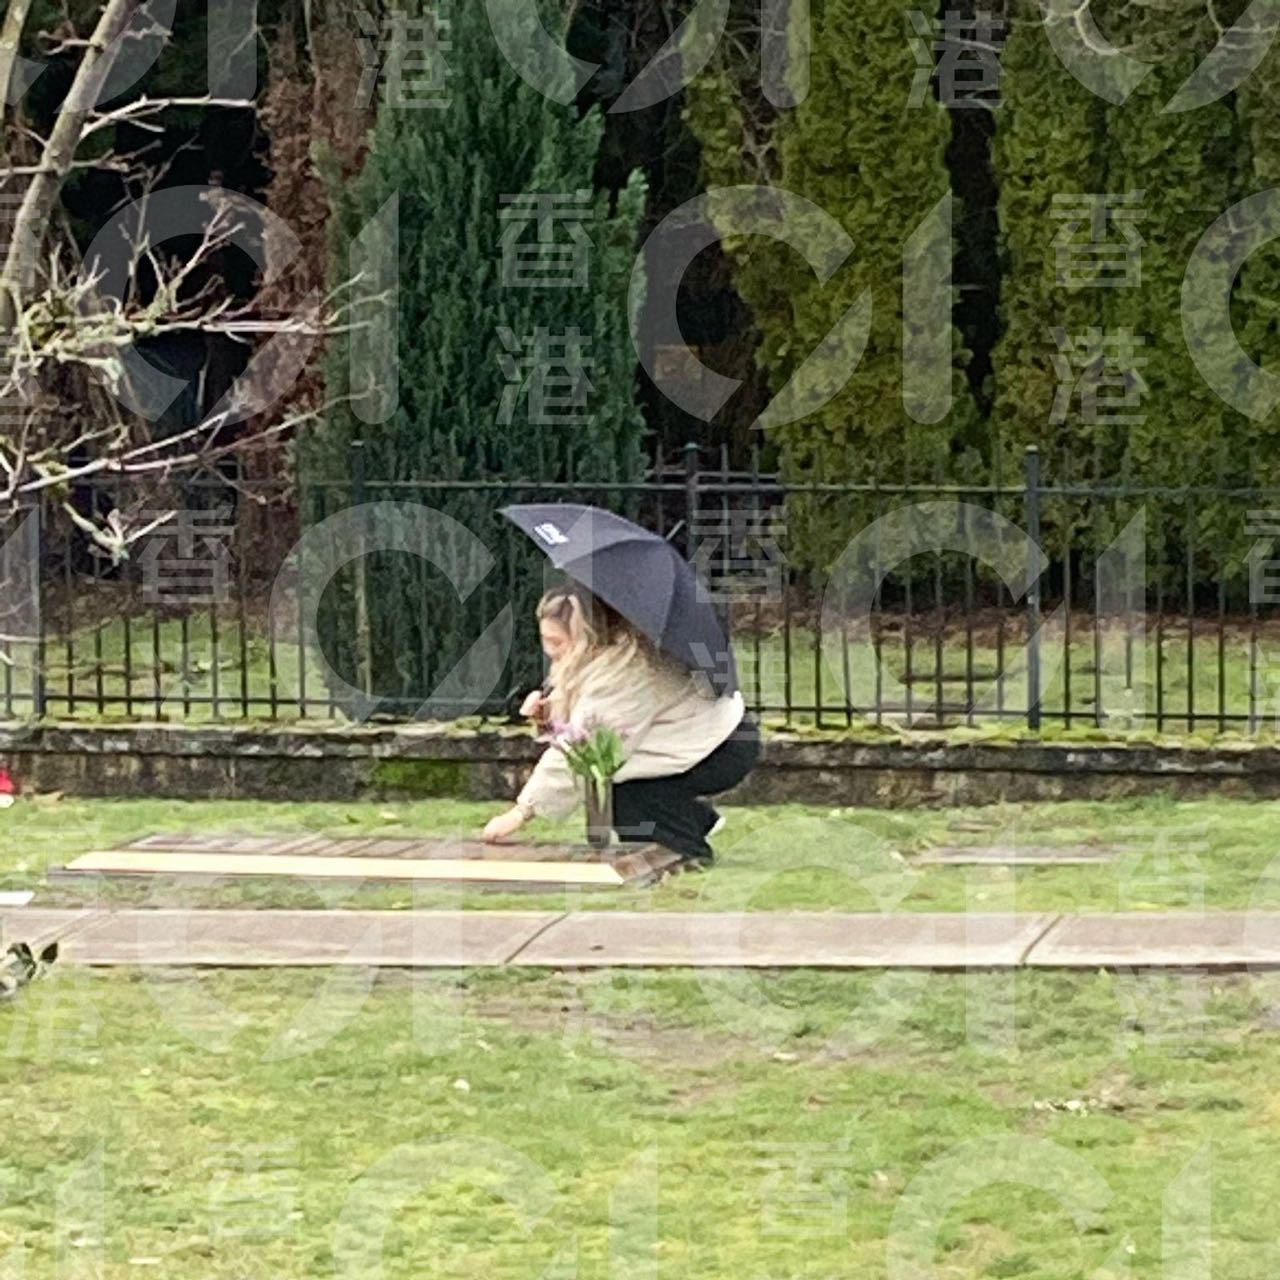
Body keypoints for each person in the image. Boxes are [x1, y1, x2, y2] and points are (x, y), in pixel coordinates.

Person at [481, 585, 759, 861]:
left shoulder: (625, 673)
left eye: (557, 642)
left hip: (720, 748)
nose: (549, 650)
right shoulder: (607, 652)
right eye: (545, 639)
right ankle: (694, 823)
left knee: (624, 795)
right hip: (708, 738)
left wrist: (521, 812)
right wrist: (549, 712)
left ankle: (685, 853)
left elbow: (583, 746)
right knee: (624, 792)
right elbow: (590, 713)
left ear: (586, 636)